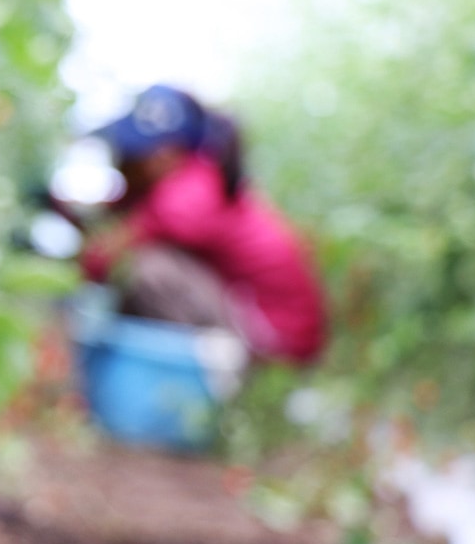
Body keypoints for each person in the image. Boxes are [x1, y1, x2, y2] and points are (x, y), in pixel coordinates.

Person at [76, 84, 327, 367]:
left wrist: (85, 252)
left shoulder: (193, 191)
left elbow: (106, 256)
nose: (122, 167)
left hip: (275, 340)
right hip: (264, 325)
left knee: (145, 270)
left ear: (162, 155)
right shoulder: (200, 178)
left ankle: (215, 380)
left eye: (130, 157)